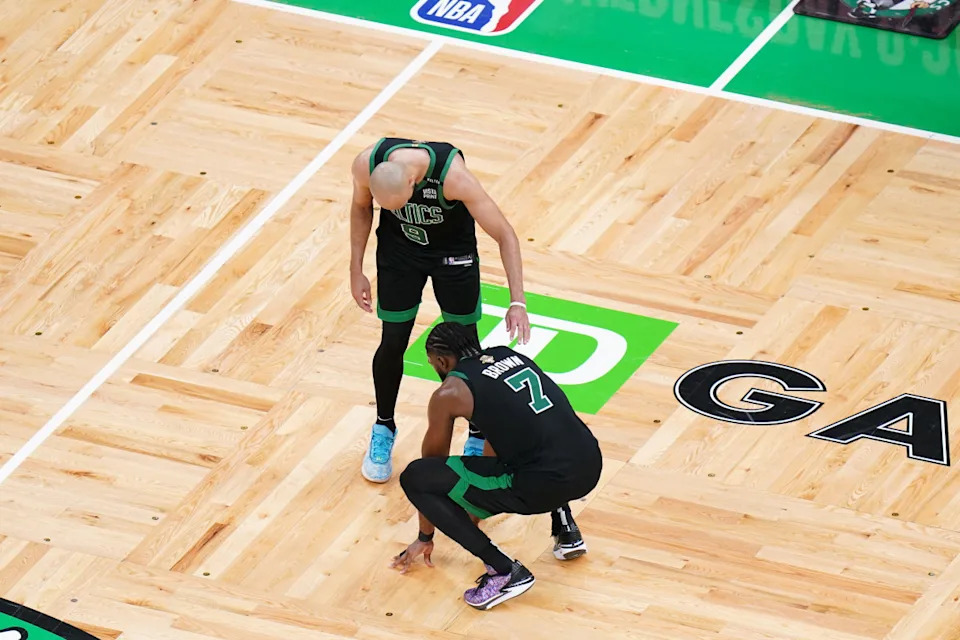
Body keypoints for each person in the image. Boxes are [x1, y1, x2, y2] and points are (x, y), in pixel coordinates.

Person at [349, 137, 531, 483]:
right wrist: (355, 268)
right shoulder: (365, 164)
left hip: (453, 257)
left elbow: (506, 235)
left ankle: (477, 432)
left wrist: (517, 301)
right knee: (393, 340)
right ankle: (384, 428)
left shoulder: (454, 178)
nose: (392, 210)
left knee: (465, 348)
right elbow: (360, 208)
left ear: (412, 183)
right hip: (400, 256)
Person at [390, 323, 602, 611]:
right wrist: (478, 500)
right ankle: (566, 527)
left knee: (415, 476)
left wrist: (425, 536)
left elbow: (430, 468)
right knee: (541, 441)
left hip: (545, 484)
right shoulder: (508, 356)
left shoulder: (450, 392)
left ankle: (504, 571)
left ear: (441, 360)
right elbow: (502, 436)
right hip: (590, 461)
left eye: (432, 364)